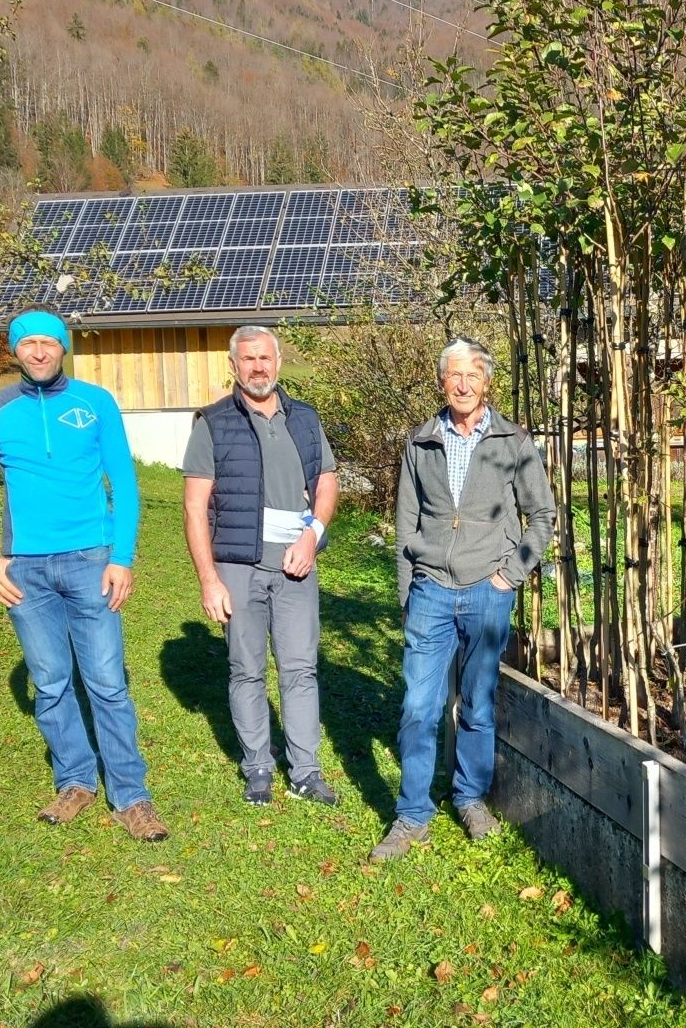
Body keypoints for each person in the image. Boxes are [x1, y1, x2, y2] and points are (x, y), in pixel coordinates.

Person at [0, 308, 167, 842]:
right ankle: (75, 780)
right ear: (14, 351)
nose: (38, 351)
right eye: (26, 343)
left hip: (91, 562)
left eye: (48, 342)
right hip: (25, 569)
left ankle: (131, 795)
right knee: (50, 683)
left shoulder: (95, 404)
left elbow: (124, 481)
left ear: (63, 347)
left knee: (107, 683)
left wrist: (122, 557)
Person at [371, 337, 556, 861]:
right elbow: (406, 521)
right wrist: (409, 587)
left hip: (487, 591)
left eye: (473, 375)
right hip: (431, 590)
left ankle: (470, 798)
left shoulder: (513, 442)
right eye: (454, 375)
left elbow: (542, 516)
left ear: (487, 383)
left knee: (477, 705)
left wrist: (510, 575)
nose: (464, 384)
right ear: (442, 381)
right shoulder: (420, 442)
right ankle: (411, 815)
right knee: (417, 707)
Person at [183, 326, 339, 806]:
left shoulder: (306, 419)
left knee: (300, 669)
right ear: (234, 365)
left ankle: (306, 771)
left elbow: (328, 482)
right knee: (246, 669)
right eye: (248, 359)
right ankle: (257, 767)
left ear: (278, 361)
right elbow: (193, 507)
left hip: (296, 567)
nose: (258, 367)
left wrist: (312, 536)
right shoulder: (212, 422)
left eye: (265, 358)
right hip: (237, 566)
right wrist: (209, 580)